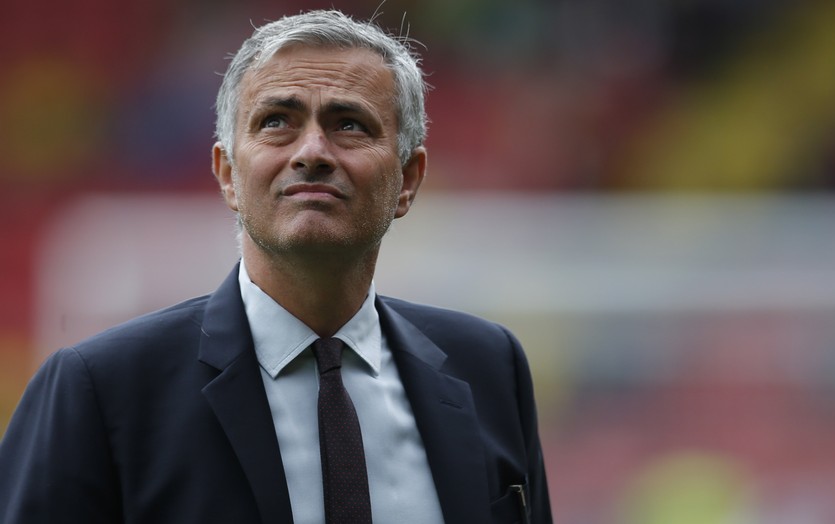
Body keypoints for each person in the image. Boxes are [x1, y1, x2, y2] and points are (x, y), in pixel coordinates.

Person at [0, 9, 551, 524]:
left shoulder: (489, 369)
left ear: (407, 179)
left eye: (350, 124)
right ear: (226, 174)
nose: (312, 150)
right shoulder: (101, 392)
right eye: (277, 121)